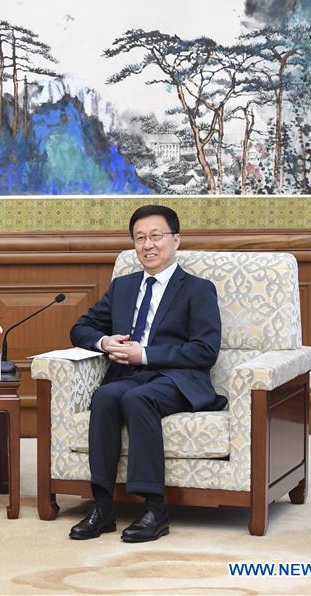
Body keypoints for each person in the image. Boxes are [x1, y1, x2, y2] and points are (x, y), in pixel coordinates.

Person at [68, 205, 222, 543]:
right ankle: (104, 506)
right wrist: (105, 341)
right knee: (105, 396)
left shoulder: (197, 289)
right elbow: (80, 328)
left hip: (178, 378)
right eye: (140, 238)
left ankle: (155, 508)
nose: (148, 245)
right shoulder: (123, 287)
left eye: (156, 236)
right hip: (128, 375)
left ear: (175, 240)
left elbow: (205, 350)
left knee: (139, 399)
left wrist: (146, 354)